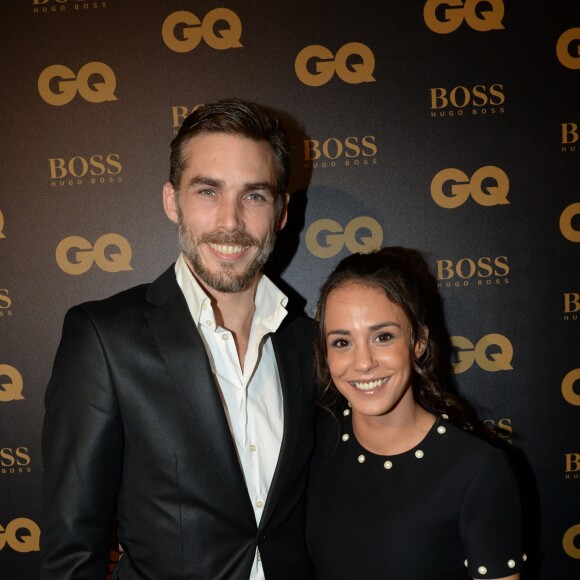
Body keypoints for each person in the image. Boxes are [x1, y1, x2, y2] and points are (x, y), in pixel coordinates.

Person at [41, 99, 316, 579]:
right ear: (172, 200)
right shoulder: (106, 338)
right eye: (208, 191)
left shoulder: (309, 344)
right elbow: (72, 547)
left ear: (281, 212)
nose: (230, 222)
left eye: (254, 195)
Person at [306, 247, 524, 580]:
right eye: (342, 342)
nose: (363, 362)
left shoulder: (477, 469)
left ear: (418, 342)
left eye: (383, 336)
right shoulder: (313, 441)